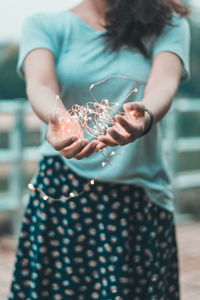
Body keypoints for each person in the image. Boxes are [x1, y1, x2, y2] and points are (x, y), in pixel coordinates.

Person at [9, 0, 190, 299]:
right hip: (62, 192)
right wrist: (58, 118)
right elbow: (40, 84)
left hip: (139, 196)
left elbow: (164, 85)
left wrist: (143, 115)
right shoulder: (45, 24)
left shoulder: (168, 24)